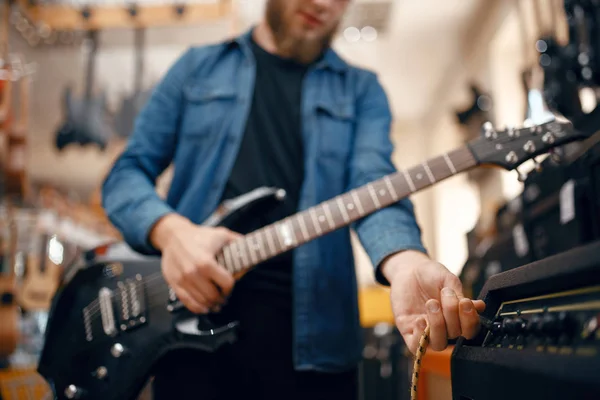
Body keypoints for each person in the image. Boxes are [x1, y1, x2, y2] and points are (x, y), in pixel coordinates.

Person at [101, 0, 486, 398]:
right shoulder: (197, 67)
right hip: (187, 347)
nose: (324, 4)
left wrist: (406, 262)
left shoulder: (362, 91)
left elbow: (373, 184)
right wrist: (172, 233)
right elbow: (124, 177)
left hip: (316, 354)